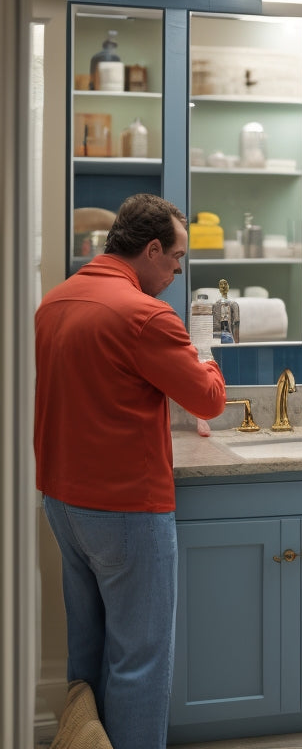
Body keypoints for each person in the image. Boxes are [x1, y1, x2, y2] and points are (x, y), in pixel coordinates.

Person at [34, 193, 227, 749]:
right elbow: (209, 400)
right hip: (125, 510)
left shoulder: (56, 301)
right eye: (176, 258)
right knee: (140, 662)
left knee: (88, 653)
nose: (177, 270)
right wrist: (206, 349)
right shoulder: (144, 314)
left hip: (62, 502)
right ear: (149, 249)